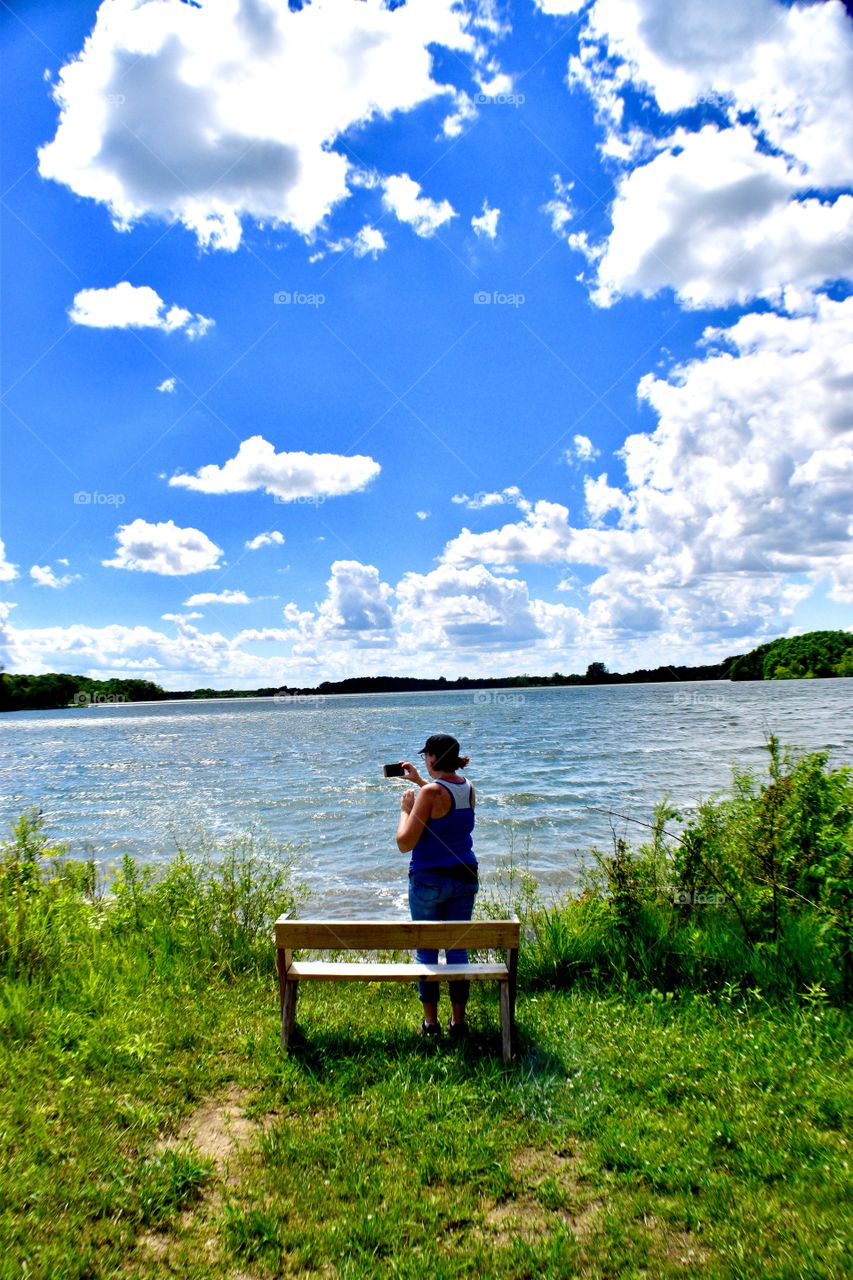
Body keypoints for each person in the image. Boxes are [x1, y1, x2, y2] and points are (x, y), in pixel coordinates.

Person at [396, 733, 478, 1039]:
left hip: (429, 879)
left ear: (433, 758)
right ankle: (458, 1022)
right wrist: (419, 782)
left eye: (425, 757)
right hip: (465, 877)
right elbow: (444, 809)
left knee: (427, 949)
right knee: (458, 949)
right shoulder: (468, 789)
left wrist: (406, 809)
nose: (424, 762)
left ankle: (431, 1023)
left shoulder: (429, 793)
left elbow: (405, 843)